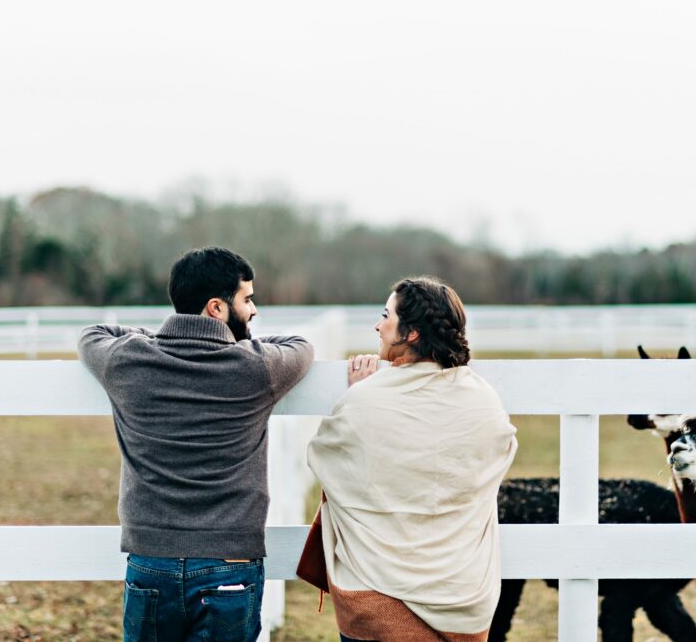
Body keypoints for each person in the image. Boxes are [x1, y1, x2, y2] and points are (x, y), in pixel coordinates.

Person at [78, 246, 314, 642]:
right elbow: (300, 346)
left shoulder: (127, 361)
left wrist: (158, 338)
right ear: (216, 308)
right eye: (247, 299)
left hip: (151, 559)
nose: (253, 310)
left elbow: (93, 335)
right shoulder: (257, 367)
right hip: (230, 561)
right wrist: (240, 342)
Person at [307, 276, 518, 642]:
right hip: (462, 599)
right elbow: (500, 453)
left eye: (385, 315)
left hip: (374, 598)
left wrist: (360, 397)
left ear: (412, 334)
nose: (377, 324)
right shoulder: (483, 401)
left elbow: (327, 459)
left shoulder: (365, 401)